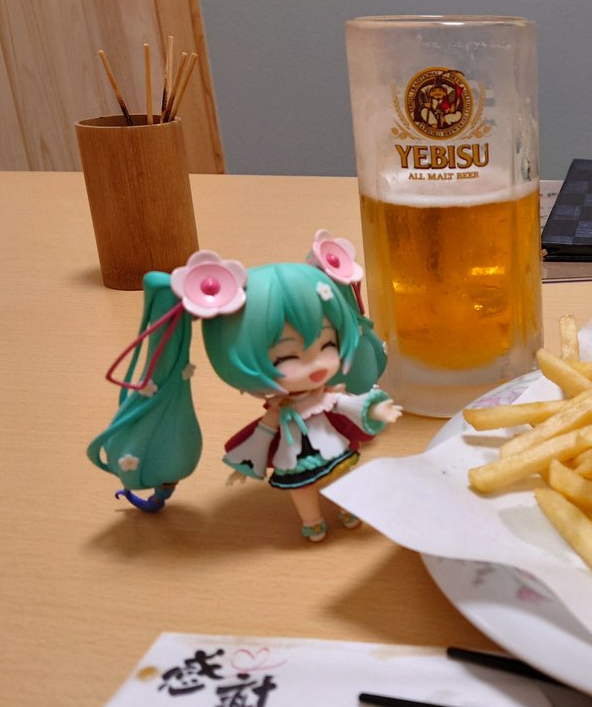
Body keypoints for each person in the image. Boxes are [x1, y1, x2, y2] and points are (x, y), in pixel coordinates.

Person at [87, 231, 401, 541]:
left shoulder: (325, 397)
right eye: (286, 357)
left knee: (342, 478)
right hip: (295, 458)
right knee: (303, 490)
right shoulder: (282, 408)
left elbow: (345, 404)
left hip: (332, 446)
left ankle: (349, 510)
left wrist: (377, 409)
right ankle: (313, 521)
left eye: (329, 345)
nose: (317, 365)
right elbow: (263, 433)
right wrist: (247, 462)